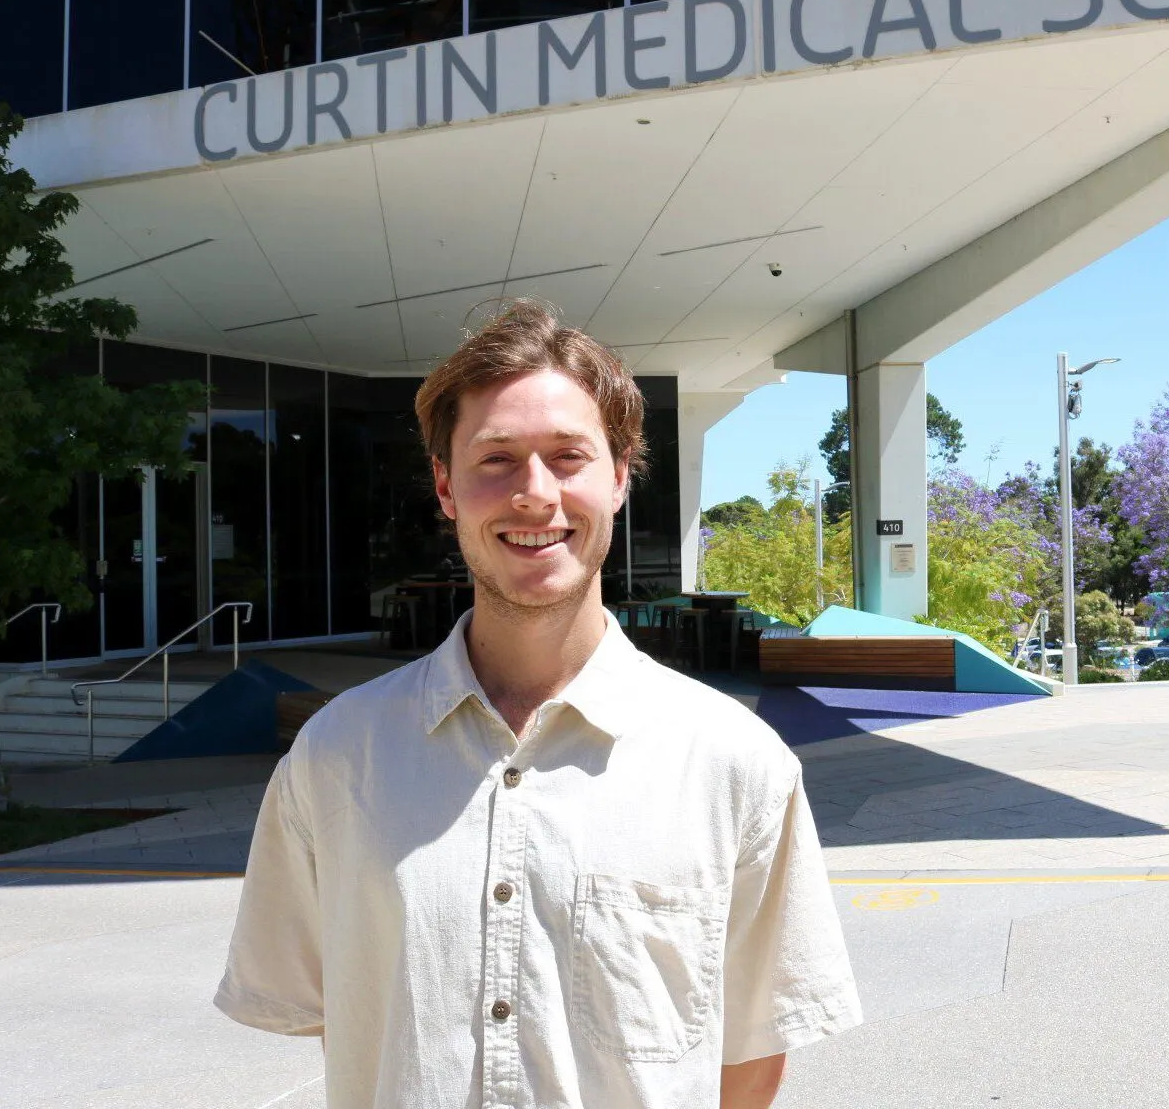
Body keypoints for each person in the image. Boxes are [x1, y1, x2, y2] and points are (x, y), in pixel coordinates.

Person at [215, 300, 861, 1108]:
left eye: (567, 457)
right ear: (446, 487)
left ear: (619, 478)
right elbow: (335, 1017)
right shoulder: (338, 754)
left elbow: (753, 1055)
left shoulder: (734, 762)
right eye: (496, 458)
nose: (533, 493)